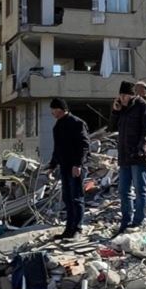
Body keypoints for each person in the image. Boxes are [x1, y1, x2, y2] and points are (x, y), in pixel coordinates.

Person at [111, 81, 146, 234]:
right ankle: (126, 221)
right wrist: (115, 111)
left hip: (139, 156)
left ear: (132, 95)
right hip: (124, 156)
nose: (122, 98)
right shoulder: (122, 109)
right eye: (121, 95)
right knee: (123, 190)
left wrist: (140, 150)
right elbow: (112, 127)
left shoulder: (144, 107)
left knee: (140, 190)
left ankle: (138, 222)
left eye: (125, 95)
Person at [46, 98, 90, 240]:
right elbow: (57, 149)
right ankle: (69, 229)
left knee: (76, 198)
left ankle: (77, 228)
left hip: (76, 167)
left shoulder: (77, 123)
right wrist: (52, 165)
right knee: (68, 198)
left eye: (54, 110)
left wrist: (78, 164)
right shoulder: (57, 126)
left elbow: (84, 146)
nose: (52, 113)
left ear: (60, 109)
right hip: (64, 167)